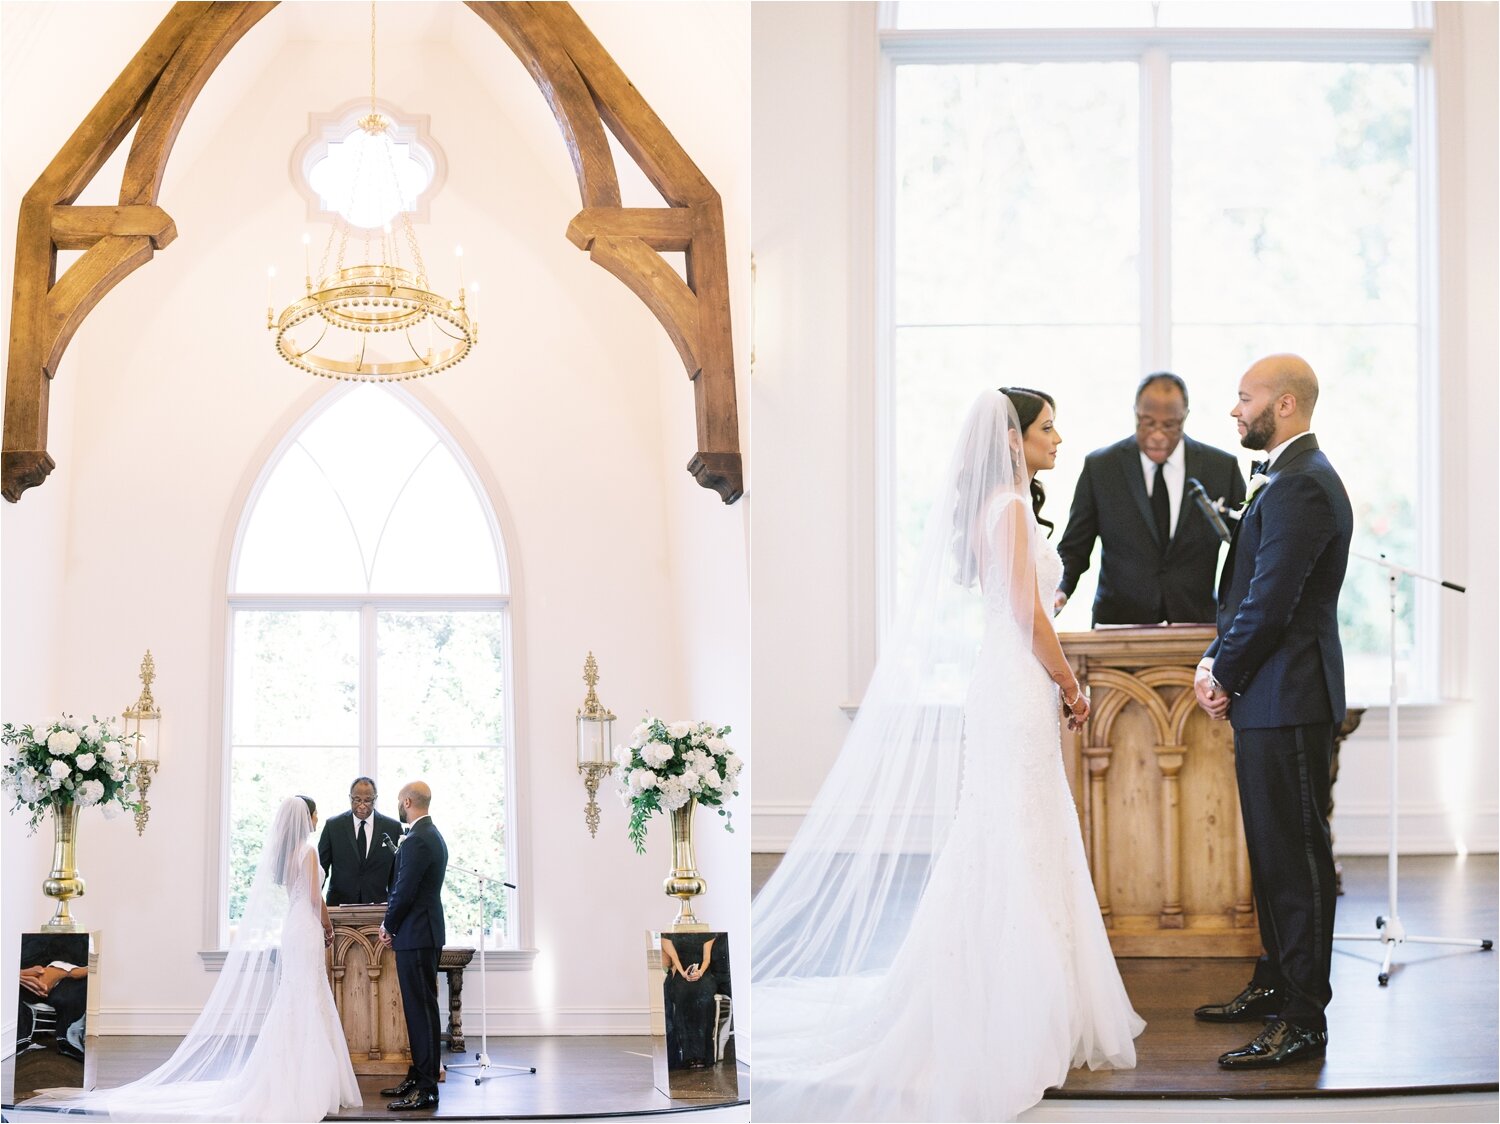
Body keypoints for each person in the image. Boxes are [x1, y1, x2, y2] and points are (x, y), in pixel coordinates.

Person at [752, 388, 1143, 1121]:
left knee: (1018, 832)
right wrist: (1070, 683)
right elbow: (1026, 615)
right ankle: (1004, 1008)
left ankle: (1026, 998)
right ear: (1013, 439)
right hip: (1017, 685)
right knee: (1012, 835)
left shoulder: (1002, 508)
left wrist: (1050, 650)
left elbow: (1024, 604)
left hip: (1010, 681)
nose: (1059, 439)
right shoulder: (1011, 509)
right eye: (1048, 428)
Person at [1193, 354, 1351, 1068]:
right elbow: (1250, 590)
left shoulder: (1303, 486)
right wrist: (1219, 664)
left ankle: (1304, 1017)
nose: (1234, 410)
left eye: (1244, 397)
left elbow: (1272, 600)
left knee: (1298, 859)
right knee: (1272, 852)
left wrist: (1222, 669)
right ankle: (1275, 980)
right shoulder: (1285, 479)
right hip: (1272, 695)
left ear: (1284, 405)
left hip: (1290, 697)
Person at [25, 795, 361, 1121]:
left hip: (293, 928)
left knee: (296, 995)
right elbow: (315, 900)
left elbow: (297, 896)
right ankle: (310, 1082)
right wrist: (328, 927)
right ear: (307, 817)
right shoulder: (308, 851)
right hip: (306, 929)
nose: (316, 820)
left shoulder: (287, 854)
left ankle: (287, 1074)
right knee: (308, 996)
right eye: (314, 815)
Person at [1056, 372, 1246, 625]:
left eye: (1169, 425)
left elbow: (1245, 547)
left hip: (1196, 622)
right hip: (1119, 624)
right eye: (1146, 422)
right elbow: (1075, 548)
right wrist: (1060, 590)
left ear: (1185, 416)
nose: (1157, 435)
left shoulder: (1221, 467)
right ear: (1135, 414)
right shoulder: (1101, 467)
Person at [378, 781, 449, 1111]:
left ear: (407, 801)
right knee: (422, 1009)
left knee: (421, 1011)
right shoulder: (430, 835)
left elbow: (403, 891)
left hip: (417, 934)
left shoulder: (418, 839)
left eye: (397, 801)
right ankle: (420, 1073)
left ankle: (426, 1087)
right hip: (423, 933)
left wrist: (388, 924)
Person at [319, 776, 402, 905]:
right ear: (350, 798)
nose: (362, 806)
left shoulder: (392, 827)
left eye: (367, 800)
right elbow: (321, 869)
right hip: (339, 905)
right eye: (357, 800)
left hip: (379, 905)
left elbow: (398, 872)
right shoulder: (333, 826)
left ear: (375, 799)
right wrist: (315, 903)